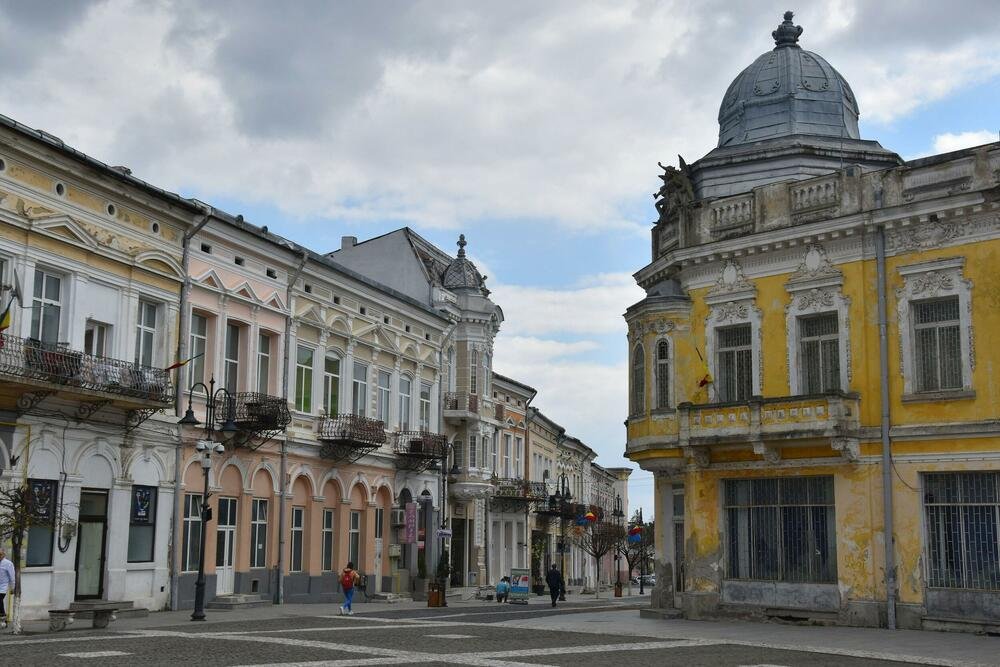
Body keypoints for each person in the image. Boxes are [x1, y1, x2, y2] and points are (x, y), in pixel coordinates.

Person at [0, 547, 14, 629]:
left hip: (3, 587)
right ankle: (4, 620)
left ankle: (3, 619)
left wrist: (13, 587)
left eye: (0, 554)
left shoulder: (8, 563)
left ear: (4, 554)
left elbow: (12, 577)